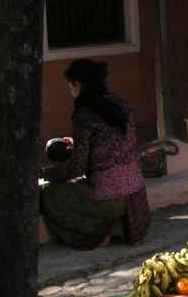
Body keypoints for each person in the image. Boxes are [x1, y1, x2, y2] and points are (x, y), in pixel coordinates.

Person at [40, 59, 150, 249]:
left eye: (70, 85)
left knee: (49, 195)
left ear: (76, 84)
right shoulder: (120, 104)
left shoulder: (84, 114)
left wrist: (47, 174)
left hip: (109, 199)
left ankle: (94, 236)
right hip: (136, 194)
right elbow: (112, 143)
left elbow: (76, 168)